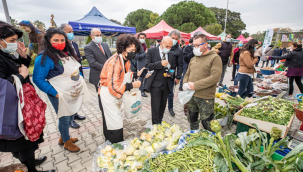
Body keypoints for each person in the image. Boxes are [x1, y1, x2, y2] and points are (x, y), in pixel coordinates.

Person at [0, 21, 54, 172]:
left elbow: (19, 67)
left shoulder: (5, 54)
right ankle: (31, 169)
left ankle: (31, 161)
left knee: (29, 140)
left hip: (23, 106)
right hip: (13, 112)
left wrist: (23, 57)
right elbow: (2, 85)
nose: (15, 44)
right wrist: (19, 76)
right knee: (23, 144)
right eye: (11, 41)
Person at [33, 28, 90, 152]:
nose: (60, 42)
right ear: (48, 41)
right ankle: (66, 142)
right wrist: (56, 93)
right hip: (58, 94)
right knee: (64, 118)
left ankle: (63, 137)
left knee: (70, 115)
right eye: (56, 40)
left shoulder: (64, 53)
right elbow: (38, 80)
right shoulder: (44, 57)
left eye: (62, 40)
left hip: (70, 93)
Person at [99, 34, 145, 143]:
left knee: (113, 121)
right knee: (115, 124)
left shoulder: (126, 60)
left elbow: (124, 75)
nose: (133, 52)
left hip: (115, 94)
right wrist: (132, 85)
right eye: (131, 50)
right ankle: (115, 145)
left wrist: (136, 74)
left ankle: (109, 143)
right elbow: (114, 87)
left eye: (135, 50)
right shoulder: (114, 62)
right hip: (108, 95)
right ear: (122, 49)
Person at [183, 34, 222, 131]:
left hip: (205, 97)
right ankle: (194, 135)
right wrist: (185, 83)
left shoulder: (214, 58)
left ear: (205, 45)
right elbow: (187, 73)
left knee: (207, 122)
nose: (195, 48)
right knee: (192, 119)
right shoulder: (193, 58)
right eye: (194, 45)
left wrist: (195, 85)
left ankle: (211, 140)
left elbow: (215, 77)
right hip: (191, 96)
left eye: (198, 45)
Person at [59, 23, 86, 129]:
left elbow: (78, 60)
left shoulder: (74, 44)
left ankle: (75, 114)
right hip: (68, 77)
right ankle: (70, 120)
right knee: (69, 99)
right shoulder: (62, 46)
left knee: (76, 97)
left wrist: (81, 75)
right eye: (68, 32)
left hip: (77, 75)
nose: (71, 34)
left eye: (72, 31)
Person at [144, 36, 175, 124]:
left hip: (166, 83)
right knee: (155, 106)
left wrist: (170, 74)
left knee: (162, 106)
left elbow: (172, 68)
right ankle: (155, 125)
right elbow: (147, 65)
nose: (168, 49)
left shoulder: (171, 54)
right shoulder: (151, 51)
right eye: (167, 46)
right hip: (155, 84)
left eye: (170, 47)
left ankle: (159, 122)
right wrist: (160, 64)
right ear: (161, 44)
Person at [84, 28, 112, 115]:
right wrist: (107, 68)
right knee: (102, 95)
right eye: (97, 35)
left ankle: (110, 109)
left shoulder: (105, 45)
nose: (99, 37)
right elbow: (92, 63)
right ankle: (104, 112)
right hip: (98, 76)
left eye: (100, 35)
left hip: (110, 75)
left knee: (110, 93)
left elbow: (110, 57)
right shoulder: (88, 47)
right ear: (91, 36)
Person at [167, 29, 183, 116]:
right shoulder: (164, 46)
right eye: (173, 38)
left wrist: (178, 77)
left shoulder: (179, 50)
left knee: (170, 92)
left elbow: (180, 65)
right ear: (169, 36)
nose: (174, 40)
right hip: (161, 72)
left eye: (176, 39)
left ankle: (170, 108)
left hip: (171, 72)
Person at [135, 33, 148, 97]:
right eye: (141, 37)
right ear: (138, 38)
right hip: (141, 64)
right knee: (141, 78)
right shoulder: (138, 46)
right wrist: (145, 53)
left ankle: (144, 88)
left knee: (145, 77)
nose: (142, 39)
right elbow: (137, 57)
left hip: (146, 63)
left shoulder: (145, 44)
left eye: (143, 38)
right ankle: (141, 91)